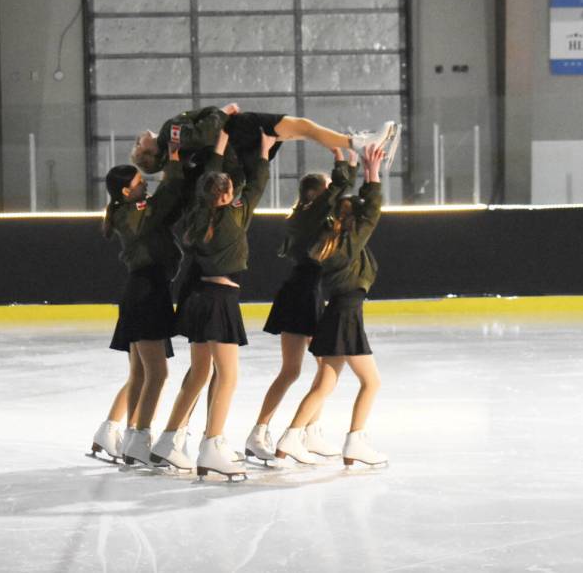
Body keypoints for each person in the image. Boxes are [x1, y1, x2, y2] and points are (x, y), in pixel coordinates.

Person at [150, 128, 275, 480]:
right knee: (228, 376)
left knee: (200, 373)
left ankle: (169, 439)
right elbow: (259, 183)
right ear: (230, 192)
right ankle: (212, 445)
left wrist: (219, 146)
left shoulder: (195, 213)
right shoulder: (237, 213)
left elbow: (209, 179)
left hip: (197, 299)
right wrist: (264, 150)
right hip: (220, 301)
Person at [274, 142, 388, 468]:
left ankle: (291, 436)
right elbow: (373, 209)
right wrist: (371, 172)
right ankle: (355, 441)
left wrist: (355, 171)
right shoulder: (351, 242)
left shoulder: (323, 239)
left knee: (325, 383)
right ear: (352, 220)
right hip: (346, 313)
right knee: (371, 382)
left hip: (337, 310)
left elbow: (361, 208)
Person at [244, 148, 359, 464]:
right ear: (317, 193)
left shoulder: (305, 217)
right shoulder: (309, 216)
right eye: (326, 190)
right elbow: (337, 193)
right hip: (303, 294)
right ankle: (265, 432)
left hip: (304, 291)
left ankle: (309, 431)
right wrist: (343, 163)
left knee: (310, 368)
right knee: (306, 369)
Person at [89, 143, 184, 467]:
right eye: (140, 182)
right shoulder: (132, 214)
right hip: (145, 294)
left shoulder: (129, 210)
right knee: (157, 373)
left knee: (140, 373)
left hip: (143, 291)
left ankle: (122, 432)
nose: (145, 184)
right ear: (127, 192)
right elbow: (165, 202)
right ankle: (139, 437)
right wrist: (172, 163)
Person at [130, 103, 397, 195]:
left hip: (238, 151)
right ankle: (357, 142)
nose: (140, 138)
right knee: (299, 126)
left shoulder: (176, 160)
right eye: (139, 144)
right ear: (151, 153)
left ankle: (355, 142)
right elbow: (204, 134)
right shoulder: (168, 133)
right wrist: (222, 113)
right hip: (237, 130)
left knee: (299, 130)